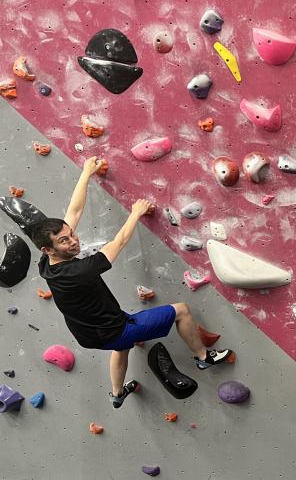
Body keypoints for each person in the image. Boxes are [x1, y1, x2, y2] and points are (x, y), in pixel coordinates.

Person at [31, 156, 231, 409]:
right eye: (64, 241)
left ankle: (117, 394)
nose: (73, 241)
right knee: (181, 311)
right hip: (115, 328)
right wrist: (135, 213)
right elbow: (119, 243)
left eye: (71, 235)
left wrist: (86, 173)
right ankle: (203, 357)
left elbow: (74, 211)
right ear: (48, 249)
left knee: (121, 347)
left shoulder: (47, 264)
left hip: (88, 333)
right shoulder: (78, 271)